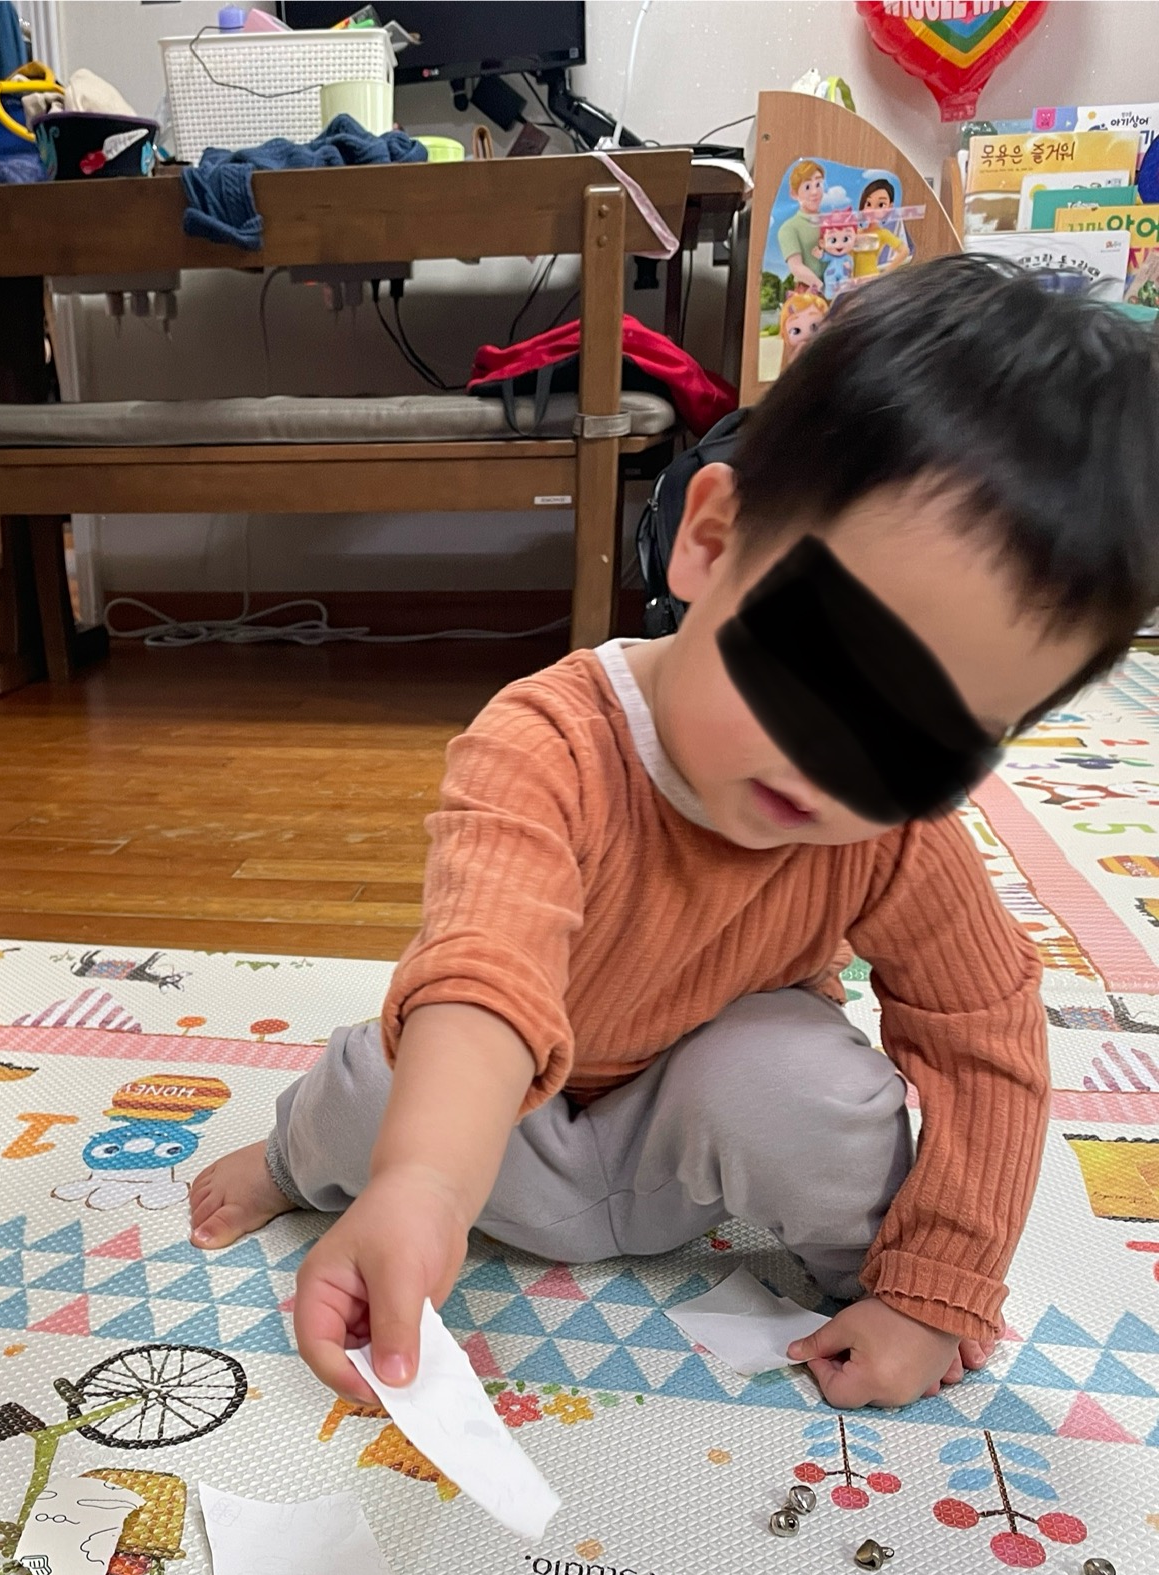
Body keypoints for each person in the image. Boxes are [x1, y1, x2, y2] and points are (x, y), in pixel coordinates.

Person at [190, 257, 1159, 1413]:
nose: (846, 760)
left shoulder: (894, 831)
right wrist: (421, 1191)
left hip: (693, 1159)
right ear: (709, 539)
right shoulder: (549, 742)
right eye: (829, 666)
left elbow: (981, 1026)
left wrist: (934, 1288)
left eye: (936, 737)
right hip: (504, 1123)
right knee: (379, 1083)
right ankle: (294, 1163)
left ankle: (876, 1294)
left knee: (811, 1093)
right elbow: (487, 973)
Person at [776, 158, 827, 288]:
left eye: (818, 184)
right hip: (809, 290)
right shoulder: (789, 228)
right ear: (794, 193)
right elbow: (796, 267)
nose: (814, 192)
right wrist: (823, 288)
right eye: (807, 187)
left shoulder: (830, 222)